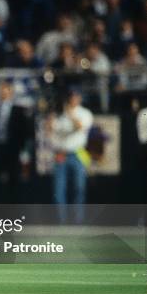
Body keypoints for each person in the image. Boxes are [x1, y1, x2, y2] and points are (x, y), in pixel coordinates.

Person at [46, 89, 93, 221]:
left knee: (79, 188)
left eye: (76, 96)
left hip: (77, 153)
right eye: (71, 97)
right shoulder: (59, 114)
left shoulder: (84, 113)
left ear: (80, 98)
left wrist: (69, 114)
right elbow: (51, 131)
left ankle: (78, 221)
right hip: (61, 154)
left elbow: (79, 127)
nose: (73, 99)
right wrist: (50, 121)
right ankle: (62, 222)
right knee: (59, 189)